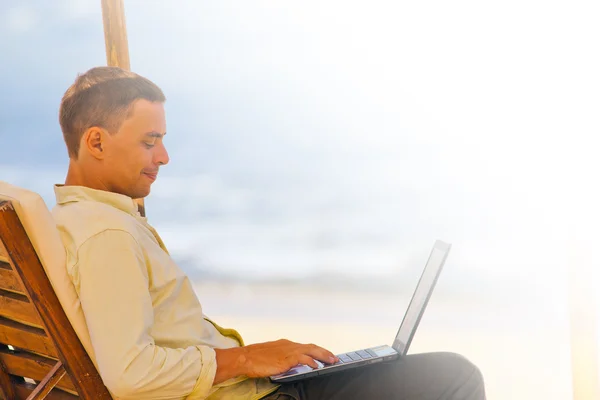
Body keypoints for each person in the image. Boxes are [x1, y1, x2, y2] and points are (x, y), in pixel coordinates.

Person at [52, 66, 486, 400]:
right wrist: (245, 358)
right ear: (96, 143)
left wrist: (256, 358)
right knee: (454, 376)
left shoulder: (77, 221)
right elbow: (129, 373)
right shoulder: (106, 235)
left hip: (240, 386)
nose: (163, 156)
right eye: (149, 141)